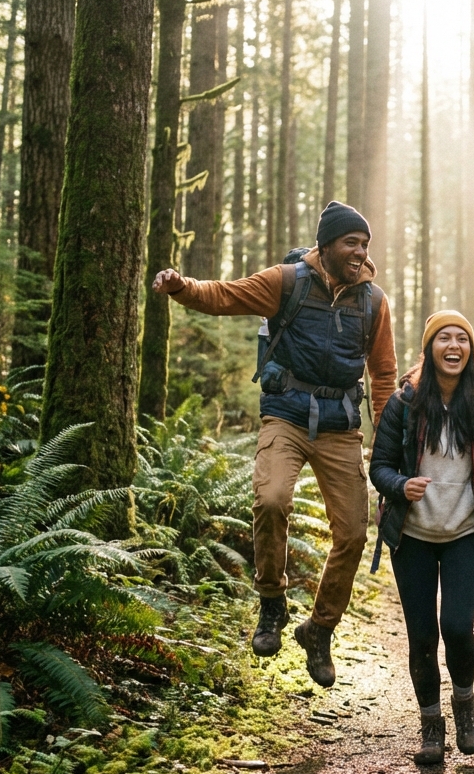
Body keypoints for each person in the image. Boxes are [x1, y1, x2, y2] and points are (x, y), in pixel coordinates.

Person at [153, 201, 396, 688]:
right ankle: (271, 603)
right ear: (325, 245)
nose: (360, 251)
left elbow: (384, 373)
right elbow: (225, 296)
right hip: (285, 413)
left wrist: (388, 443)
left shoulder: (373, 301)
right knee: (270, 498)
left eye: (365, 244)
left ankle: (320, 629)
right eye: (351, 242)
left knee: (351, 532)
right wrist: (182, 287)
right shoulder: (287, 281)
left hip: (340, 424)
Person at [369, 311, 474, 765]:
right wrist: (399, 485)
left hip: (465, 532)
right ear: (429, 348)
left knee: (455, 627)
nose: (454, 346)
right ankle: (431, 725)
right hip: (413, 535)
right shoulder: (404, 402)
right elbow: (380, 465)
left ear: (471, 350)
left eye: (461, 339)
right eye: (443, 338)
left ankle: (465, 706)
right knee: (423, 636)